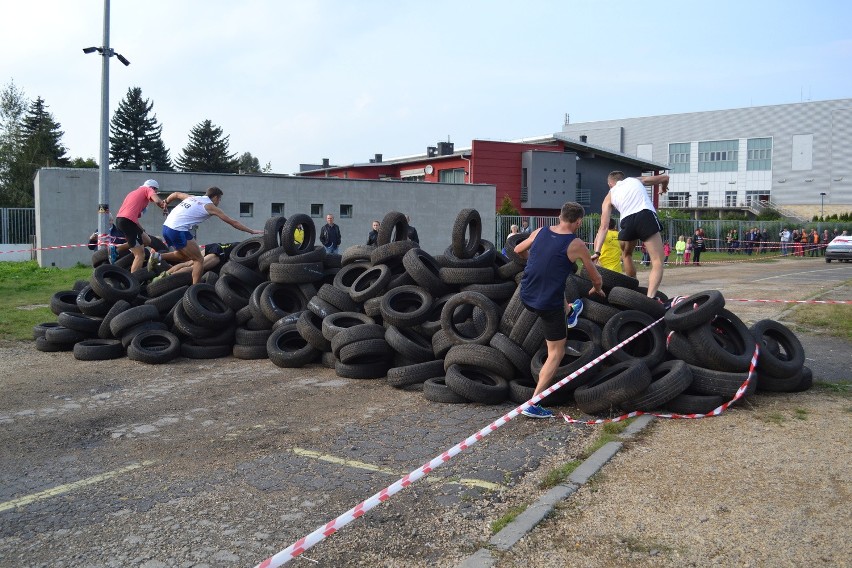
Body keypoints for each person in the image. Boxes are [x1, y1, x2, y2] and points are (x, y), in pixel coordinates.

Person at [513, 201, 604, 419]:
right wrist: (597, 289)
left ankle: (570, 311)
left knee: (557, 276)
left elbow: (517, 249)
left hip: (526, 294)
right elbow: (596, 277)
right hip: (547, 304)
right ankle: (534, 403)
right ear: (579, 222)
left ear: (560, 216)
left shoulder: (540, 231)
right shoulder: (576, 244)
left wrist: (533, 259)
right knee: (556, 352)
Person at [152, 187, 263, 284]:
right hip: (177, 230)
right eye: (219, 199)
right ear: (215, 197)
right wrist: (251, 231)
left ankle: (158, 256)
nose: (219, 202)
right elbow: (232, 222)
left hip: (166, 227)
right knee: (199, 260)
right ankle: (194, 288)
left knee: (184, 256)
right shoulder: (210, 206)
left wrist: (166, 201)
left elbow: (176, 194)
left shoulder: (192, 197)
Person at [592, 171, 669, 298]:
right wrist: (663, 188)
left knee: (626, 254)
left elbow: (604, 227)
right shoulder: (634, 180)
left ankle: (633, 289)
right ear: (622, 179)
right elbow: (665, 177)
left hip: (627, 221)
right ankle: (649, 298)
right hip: (645, 215)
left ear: (610, 184)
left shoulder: (609, 195)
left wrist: (597, 252)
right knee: (657, 262)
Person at [114, 179, 168, 272]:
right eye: (156, 191)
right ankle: (133, 280)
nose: (155, 193)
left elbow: (134, 217)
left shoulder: (133, 193)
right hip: (128, 222)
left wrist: (142, 230)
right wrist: (164, 207)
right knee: (140, 254)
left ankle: (116, 249)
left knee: (147, 240)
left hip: (122, 220)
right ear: (153, 188)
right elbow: (158, 201)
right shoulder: (147, 190)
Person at [151, 242, 239, 281]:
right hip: (220, 252)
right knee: (194, 268)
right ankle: (166, 278)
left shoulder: (241, 244)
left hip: (215, 246)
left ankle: (161, 276)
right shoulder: (249, 249)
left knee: (187, 263)